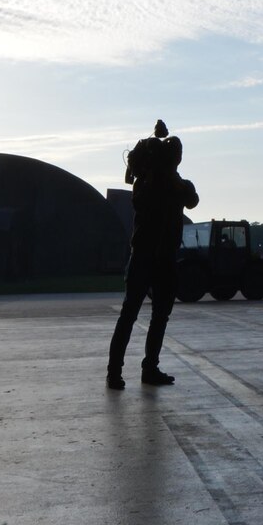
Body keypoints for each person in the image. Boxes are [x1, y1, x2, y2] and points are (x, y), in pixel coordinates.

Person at [106, 120, 197, 389]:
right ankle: (118, 371)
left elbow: (192, 199)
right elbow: (181, 199)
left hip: (159, 258)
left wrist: (171, 179)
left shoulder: (171, 184)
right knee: (133, 314)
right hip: (148, 256)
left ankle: (143, 369)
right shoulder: (150, 185)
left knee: (150, 315)